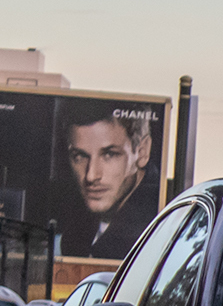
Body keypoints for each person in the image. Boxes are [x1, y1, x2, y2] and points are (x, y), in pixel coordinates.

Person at [62, 109, 159, 259]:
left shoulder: (157, 230)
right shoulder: (74, 230)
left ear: (142, 151)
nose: (91, 176)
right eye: (79, 156)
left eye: (109, 154)